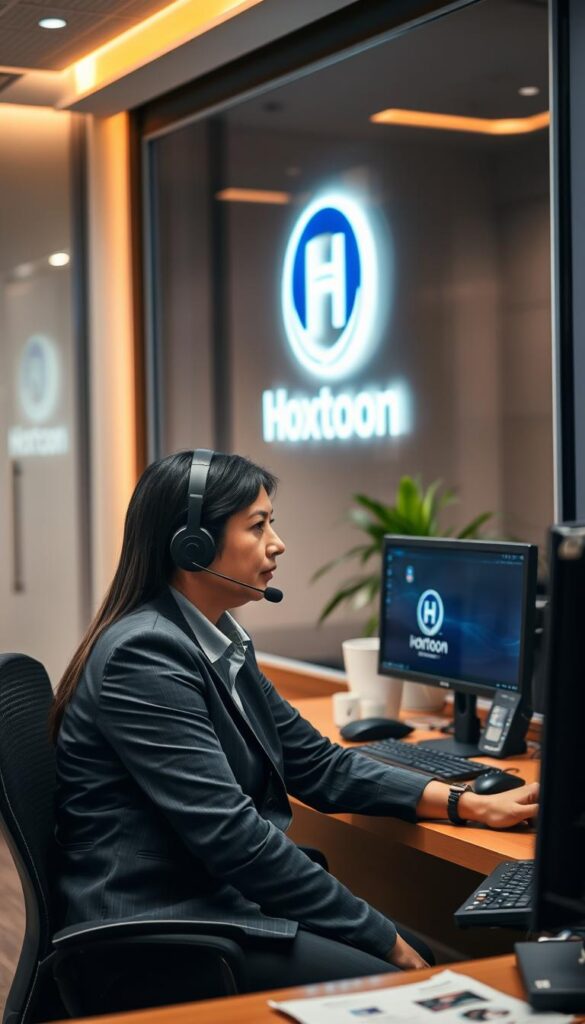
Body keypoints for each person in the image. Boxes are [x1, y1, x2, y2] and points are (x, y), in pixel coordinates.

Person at [51, 450, 539, 993]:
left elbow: (318, 763)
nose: (277, 543)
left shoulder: (214, 638)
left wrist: (464, 802)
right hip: (158, 928)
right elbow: (232, 836)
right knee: (407, 974)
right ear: (192, 546)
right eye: (258, 526)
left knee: (418, 954)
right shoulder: (144, 656)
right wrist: (381, 938)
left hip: (212, 896)